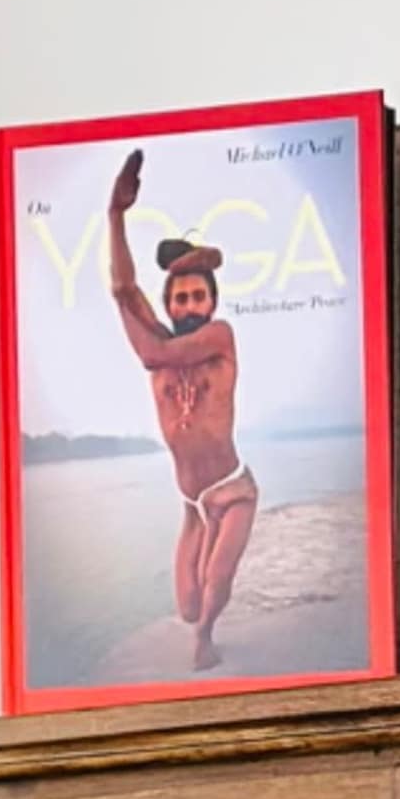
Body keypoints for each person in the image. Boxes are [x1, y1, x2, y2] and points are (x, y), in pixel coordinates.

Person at [106, 149, 259, 672]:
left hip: (233, 488)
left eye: (198, 297)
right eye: (180, 298)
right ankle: (200, 620)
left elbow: (151, 350)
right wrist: (115, 216)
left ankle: (207, 639)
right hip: (190, 502)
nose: (189, 306)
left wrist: (127, 309)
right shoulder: (162, 349)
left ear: (212, 304)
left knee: (215, 587)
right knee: (186, 604)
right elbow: (126, 289)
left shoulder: (220, 337)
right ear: (169, 305)